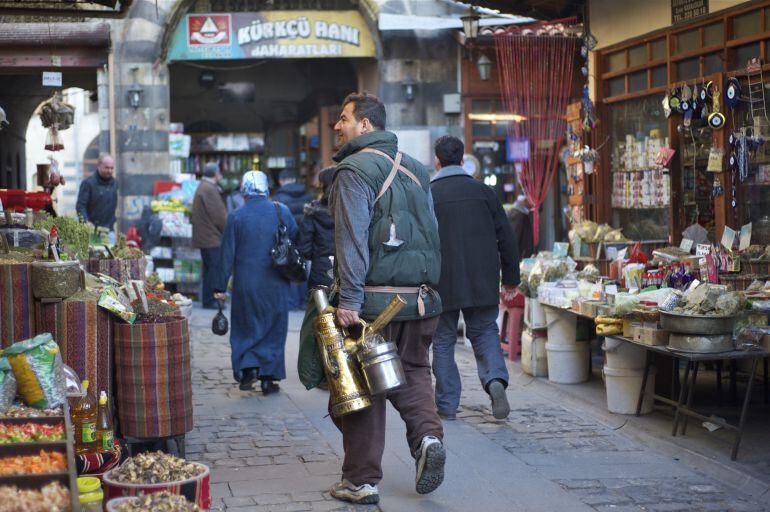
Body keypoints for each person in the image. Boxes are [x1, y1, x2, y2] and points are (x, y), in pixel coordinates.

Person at [327, 92, 445, 505]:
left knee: (363, 388)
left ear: (365, 125)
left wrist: (349, 300)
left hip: (373, 303)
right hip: (421, 299)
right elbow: (431, 233)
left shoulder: (354, 170)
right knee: (413, 372)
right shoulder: (416, 170)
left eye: (343, 119)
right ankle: (429, 439)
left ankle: (360, 480)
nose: (337, 126)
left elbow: (353, 240)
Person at [430, 135, 520, 421]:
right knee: (484, 332)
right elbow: (506, 237)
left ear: (437, 160)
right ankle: (495, 381)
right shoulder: (483, 192)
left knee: (443, 340)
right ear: (462, 157)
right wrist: (510, 278)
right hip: (482, 277)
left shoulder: (428, 194)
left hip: (441, 280)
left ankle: (446, 405)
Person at [214, 171, 297, 393]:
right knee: (274, 327)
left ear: (244, 191)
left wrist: (220, 286)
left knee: (246, 326)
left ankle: (248, 369)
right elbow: (295, 240)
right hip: (276, 282)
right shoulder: (282, 211)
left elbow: (226, 254)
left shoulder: (236, 216)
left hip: (246, 283)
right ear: (267, 189)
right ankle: (269, 378)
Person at [272, 169, 312, 310]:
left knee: (290, 266)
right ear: (294, 180)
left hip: (288, 237)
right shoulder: (308, 195)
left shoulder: (278, 198)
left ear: (281, 181)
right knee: (303, 265)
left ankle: (292, 301)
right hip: (305, 236)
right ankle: (304, 300)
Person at [191, 162, 228, 310]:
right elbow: (219, 216)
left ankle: (207, 299)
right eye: (219, 172)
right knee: (214, 268)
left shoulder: (203, 187)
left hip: (205, 236)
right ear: (215, 174)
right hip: (211, 237)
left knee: (209, 269)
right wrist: (227, 230)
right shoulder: (209, 189)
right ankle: (210, 300)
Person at [297, 167, 335, 290]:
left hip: (320, 270)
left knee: (321, 309)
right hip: (349, 272)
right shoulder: (352, 210)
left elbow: (304, 249)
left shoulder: (312, 211)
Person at [76, 152, 118, 230]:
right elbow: (81, 206)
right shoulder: (88, 183)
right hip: (91, 230)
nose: (110, 171)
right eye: (106, 168)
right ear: (99, 166)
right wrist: (85, 222)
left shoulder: (114, 183)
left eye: (112, 168)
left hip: (109, 229)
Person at [507, 194, 535, 260]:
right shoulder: (518, 215)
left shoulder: (519, 213)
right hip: (519, 254)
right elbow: (515, 235)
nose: (530, 204)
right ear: (524, 201)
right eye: (528, 201)